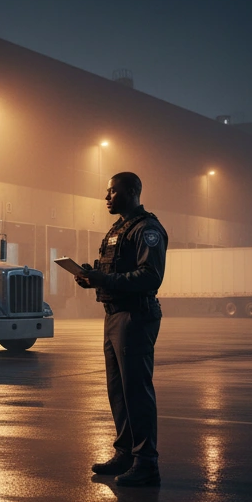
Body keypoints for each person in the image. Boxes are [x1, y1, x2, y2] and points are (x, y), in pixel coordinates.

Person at [75, 172, 168, 486]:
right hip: (114, 316)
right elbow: (114, 270)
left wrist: (104, 280)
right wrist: (91, 277)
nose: (106, 197)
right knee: (118, 390)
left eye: (112, 192)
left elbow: (151, 276)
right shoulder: (118, 229)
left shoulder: (147, 229)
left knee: (136, 391)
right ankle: (125, 453)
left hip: (135, 317)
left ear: (131, 191)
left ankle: (146, 463)